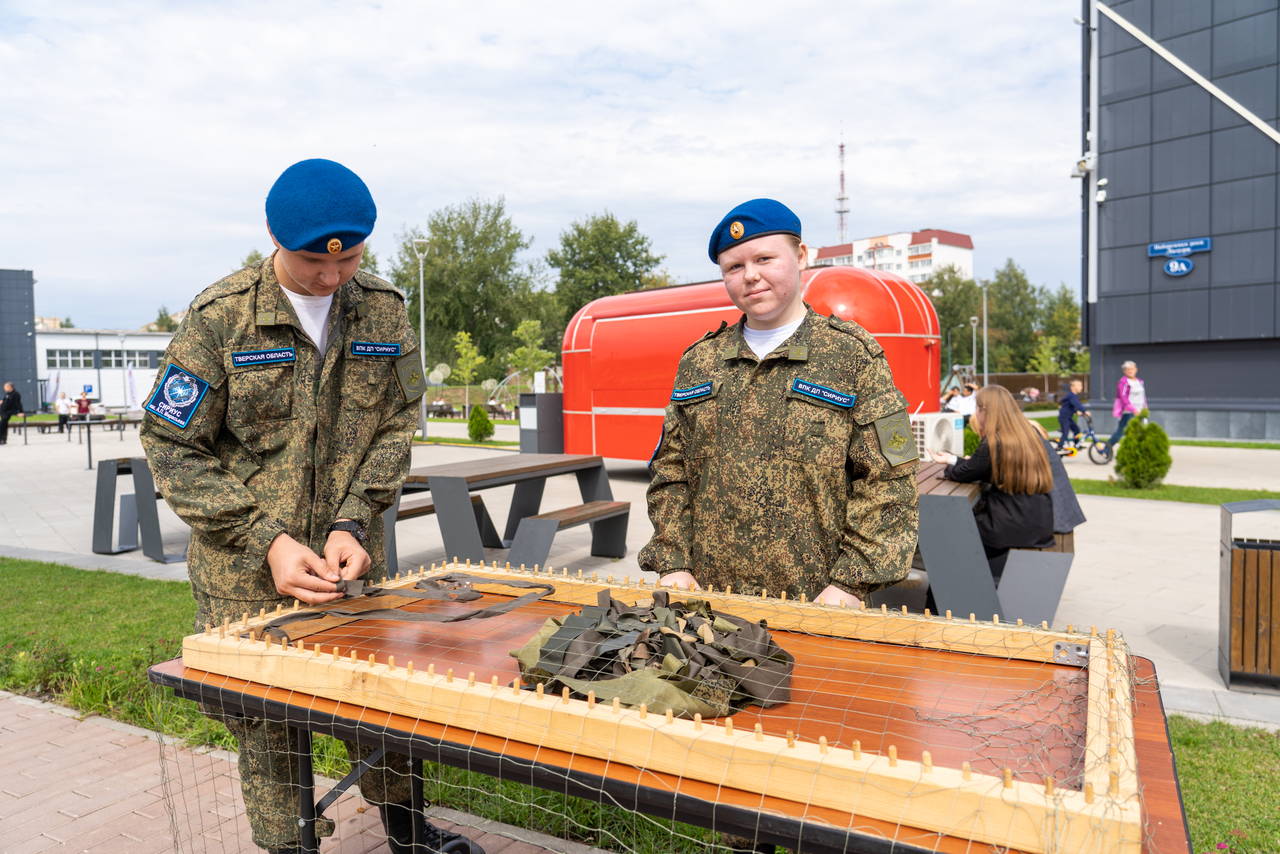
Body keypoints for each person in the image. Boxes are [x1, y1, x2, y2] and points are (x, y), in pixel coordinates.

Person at [140, 160, 477, 854]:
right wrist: (266, 539)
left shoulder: (383, 309)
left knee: (380, 704)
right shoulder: (220, 318)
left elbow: (397, 423)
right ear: (274, 236)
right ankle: (289, 846)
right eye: (313, 262)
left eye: (348, 260)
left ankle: (409, 835)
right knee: (269, 730)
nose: (331, 277)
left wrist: (354, 520)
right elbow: (171, 446)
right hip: (246, 576)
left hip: (352, 564)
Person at [641, 198, 920, 610]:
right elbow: (670, 471)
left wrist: (850, 582)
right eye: (734, 267)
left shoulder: (853, 357)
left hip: (818, 602)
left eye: (764, 259)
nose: (750, 275)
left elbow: (891, 477)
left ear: (801, 256)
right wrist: (673, 562)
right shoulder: (699, 361)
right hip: (707, 601)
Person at [928, 384, 1054, 582]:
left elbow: (963, 474)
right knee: (955, 535)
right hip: (1038, 520)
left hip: (1010, 524)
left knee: (949, 540)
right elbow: (977, 467)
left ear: (984, 410)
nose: (975, 413)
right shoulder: (1027, 434)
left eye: (976, 408)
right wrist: (952, 459)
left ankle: (940, 599)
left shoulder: (994, 440)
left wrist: (948, 467)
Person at [1107, 360, 1145, 448]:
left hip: (1139, 411)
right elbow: (1123, 398)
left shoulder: (1139, 381)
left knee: (1139, 432)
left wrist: (1144, 408)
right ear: (1124, 371)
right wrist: (1133, 409)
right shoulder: (1123, 382)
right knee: (1121, 431)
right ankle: (1106, 449)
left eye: (1132, 369)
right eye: (1128, 369)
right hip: (1128, 412)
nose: (1130, 371)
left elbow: (1143, 396)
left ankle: (1137, 451)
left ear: (1136, 369)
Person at [1056, 379, 1090, 451]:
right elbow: (1077, 404)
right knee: (1066, 432)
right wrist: (1085, 411)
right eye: (1079, 385)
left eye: (1081, 385)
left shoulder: (1072, 396)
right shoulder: (1071, 395)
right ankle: (1059, 447)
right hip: (1064, 417)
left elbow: (1070, 406)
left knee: (1076, 429)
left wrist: (1076, 411)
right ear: (1072, 387)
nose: (1081, 387)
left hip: (1068, 417)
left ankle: (1077, 444)